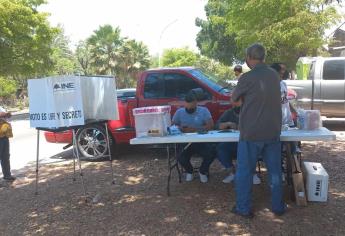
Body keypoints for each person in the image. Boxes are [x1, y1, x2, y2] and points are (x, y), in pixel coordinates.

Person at [231, 43, 286, 218]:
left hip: (251, 132)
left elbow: (235, 100)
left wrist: (245, 99)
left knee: (245, 172)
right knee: (275, 171)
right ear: (264, 57)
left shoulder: (246, 78)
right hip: (272, 130)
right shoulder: (274, 75)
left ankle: (243, 208)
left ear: (248, 58)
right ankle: (278, 206)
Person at [172, 91, 215, 183]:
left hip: (201, 141)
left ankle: (202, 171)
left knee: (211, 154)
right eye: (187, 107)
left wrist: (194, 129)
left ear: (196, 103)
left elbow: (211, 126)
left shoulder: (203, 110)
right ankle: (189, 171)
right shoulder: (179, 112)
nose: (189, 109)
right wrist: (180, 128)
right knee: (180, 157)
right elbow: (172, 127)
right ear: (184, 103)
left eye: (192, 107)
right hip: (185, 142)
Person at [215, 102, 261, 185]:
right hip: (232, 142)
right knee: (221, 149)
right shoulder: (228, 113)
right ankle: (232, 172)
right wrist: (227, 124)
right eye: (234, 103)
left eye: (239, 103)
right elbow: (217, 125)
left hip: (248, 140)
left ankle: (253, 173)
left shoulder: (251, 112)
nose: (236, 105)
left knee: (250, 148)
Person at [0, 106, 15, 181]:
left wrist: (6, 114)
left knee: (5, 156)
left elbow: (8, 115)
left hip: (4, 135)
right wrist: (3, 114)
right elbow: (3, 114)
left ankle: (7, 175)